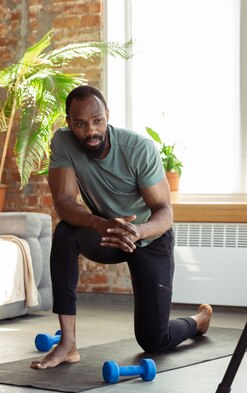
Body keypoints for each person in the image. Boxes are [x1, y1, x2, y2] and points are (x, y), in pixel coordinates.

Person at [30, 85, 213, 370]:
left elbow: (165, 213)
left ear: (107, 116)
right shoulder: (64, 143)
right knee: (66, 232)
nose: (90, 131)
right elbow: (64, 203)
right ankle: (68, 344)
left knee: (155, 340)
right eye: (80, 124)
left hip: (149, 238)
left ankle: (198, 321)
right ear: (69, 123)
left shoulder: (138, 149)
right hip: (107, 232)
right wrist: (99, 224)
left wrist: (138, 231)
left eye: (97, 121)